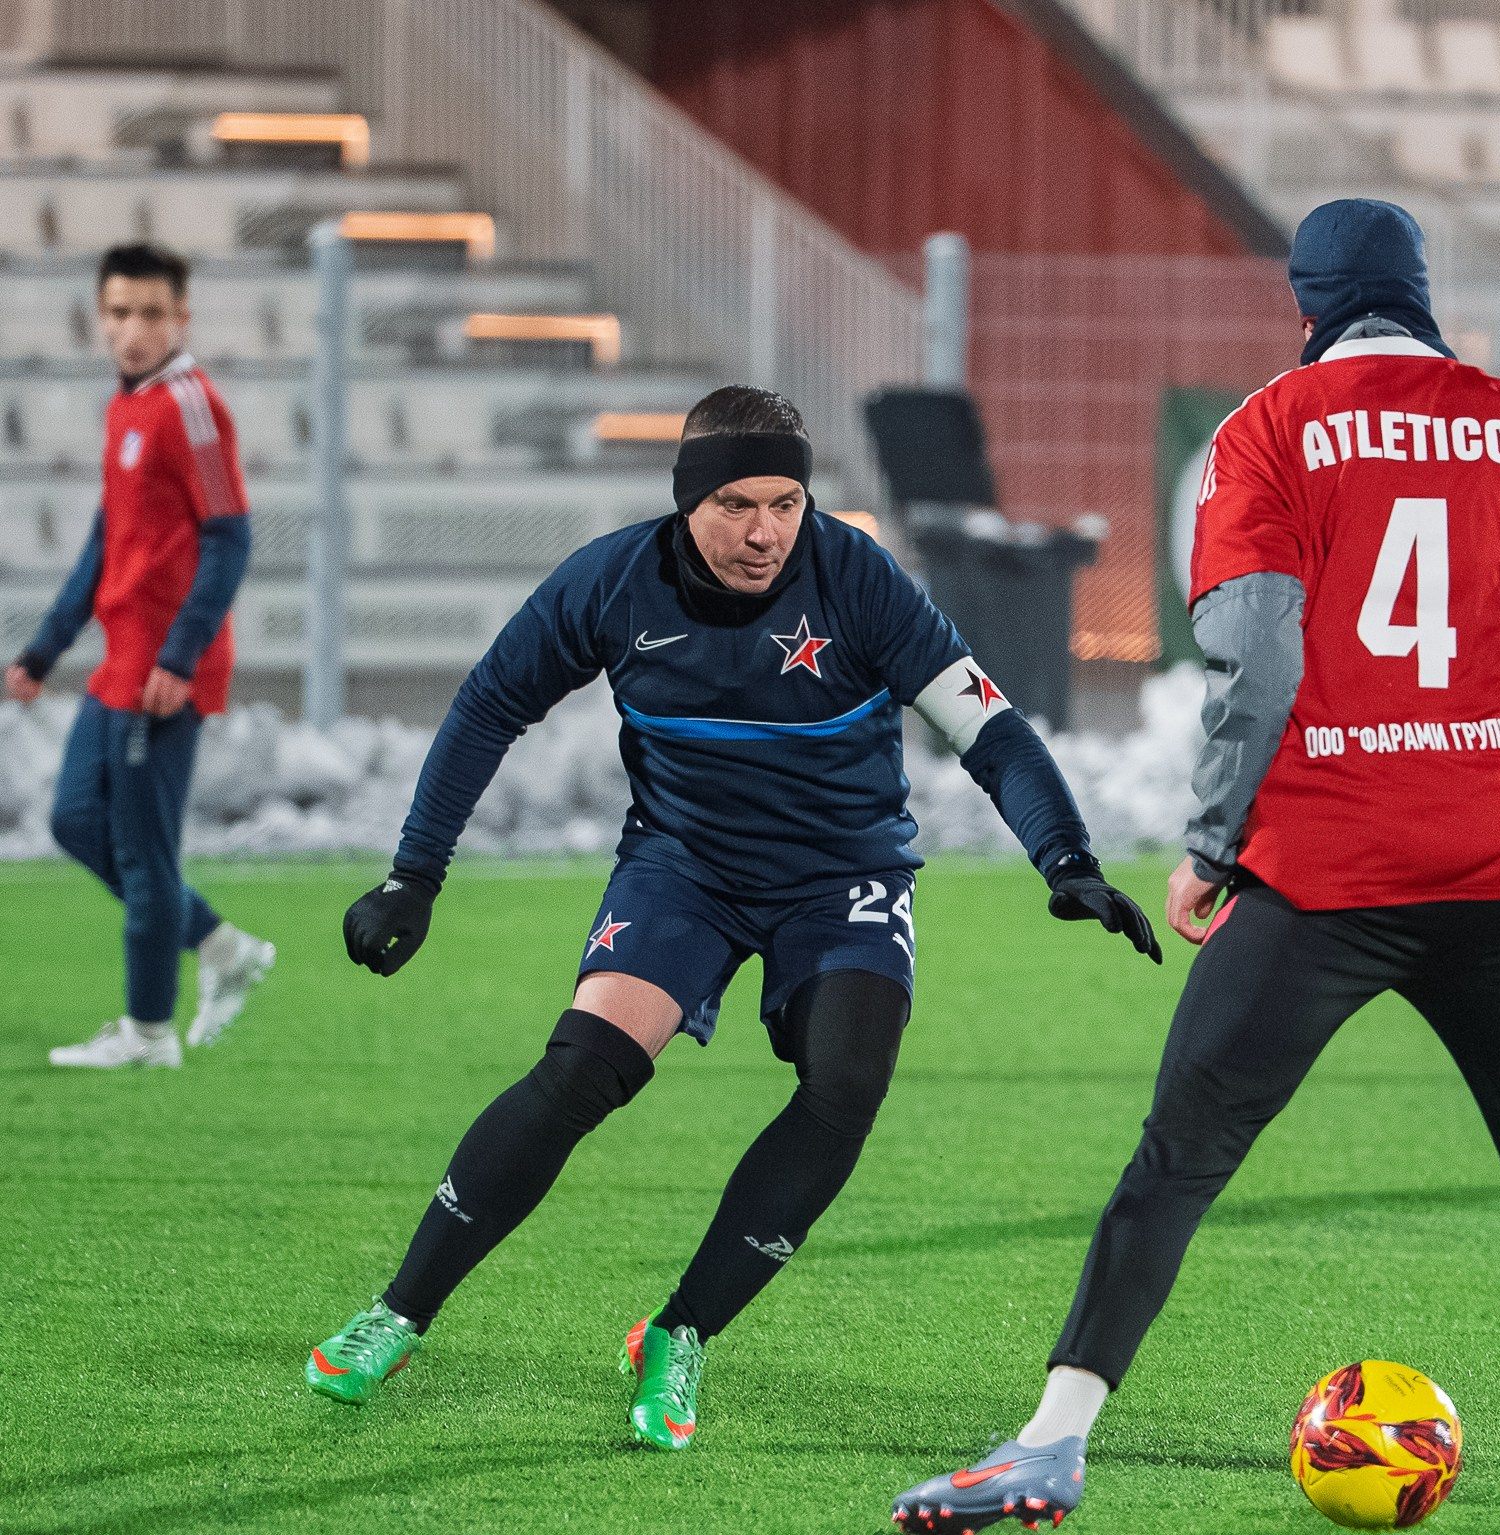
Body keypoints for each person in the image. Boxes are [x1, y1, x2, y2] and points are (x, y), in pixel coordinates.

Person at [894, 200, 1500, 1535]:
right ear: (1423, 293)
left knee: (1179, 1162)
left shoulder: (1269, 430)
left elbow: (1256, 661)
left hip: (1327, 864)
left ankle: (1052, 1440)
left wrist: (1212, 844)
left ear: (1308, 298)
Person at [304, 386, 1160, 1450]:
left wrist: (1065, 856)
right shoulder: (612, 582)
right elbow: (489, 707)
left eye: (787, 503)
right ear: (685, 503)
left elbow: (988, 729)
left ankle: (681, 1332)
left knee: (846, 1081)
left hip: (843, 873)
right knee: (582, 1068)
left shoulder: (858, 579)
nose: (765, 533)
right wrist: (413, 876)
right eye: (736, 505)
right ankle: (399, 1311)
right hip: (685, 868)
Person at [5, 242, 273, 1067]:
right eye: (119, 312)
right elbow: (106, 541)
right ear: (101, 315)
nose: (133, 328)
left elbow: (230, 539)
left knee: (142, 848)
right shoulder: (127, 406)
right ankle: (222, 948)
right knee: (74, 820)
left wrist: (183, 657)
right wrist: (44, 651)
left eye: (151, 313)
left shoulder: (193, 405)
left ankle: (149, 1033)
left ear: (181, 319)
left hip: (165, 672)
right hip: (120, 660)